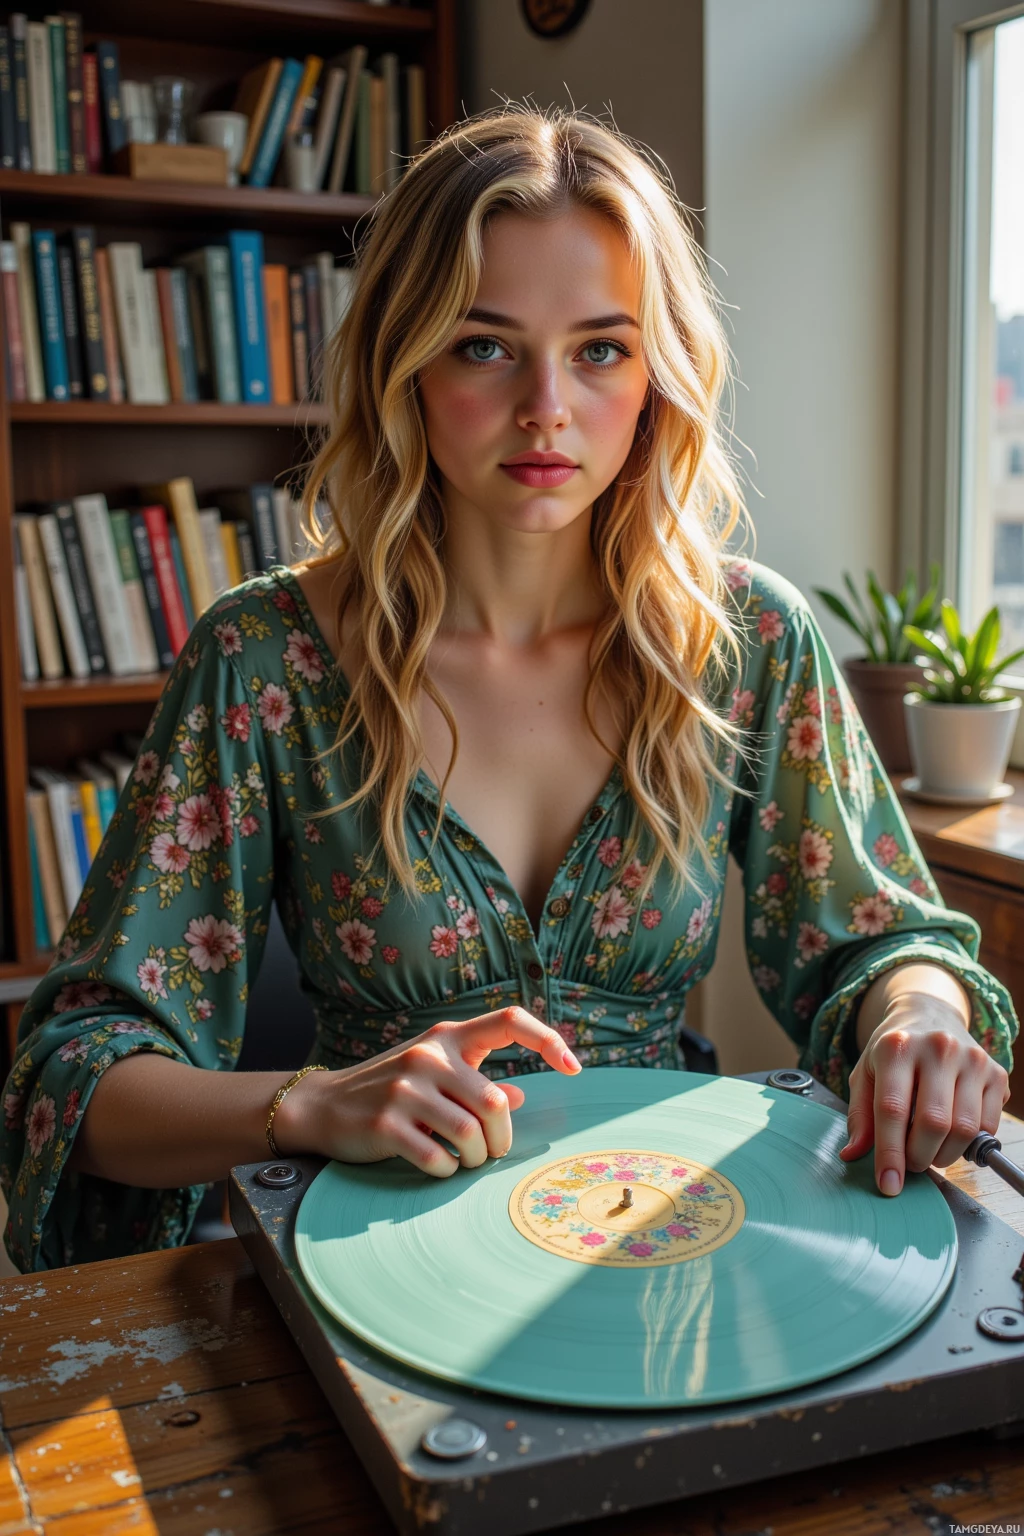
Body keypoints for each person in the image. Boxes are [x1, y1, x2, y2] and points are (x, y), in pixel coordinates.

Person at [1, 109, 1015, 1274]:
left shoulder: (744, 641)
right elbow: (71, 1068)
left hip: (668, 1257)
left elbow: (877, 943)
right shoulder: (263, 660)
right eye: (484, 345)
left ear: (657, 373)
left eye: (600, 349)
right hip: (373, 1262)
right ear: (406, 362)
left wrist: (919, 1015)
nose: (547, 406)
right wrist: (309, 1104)